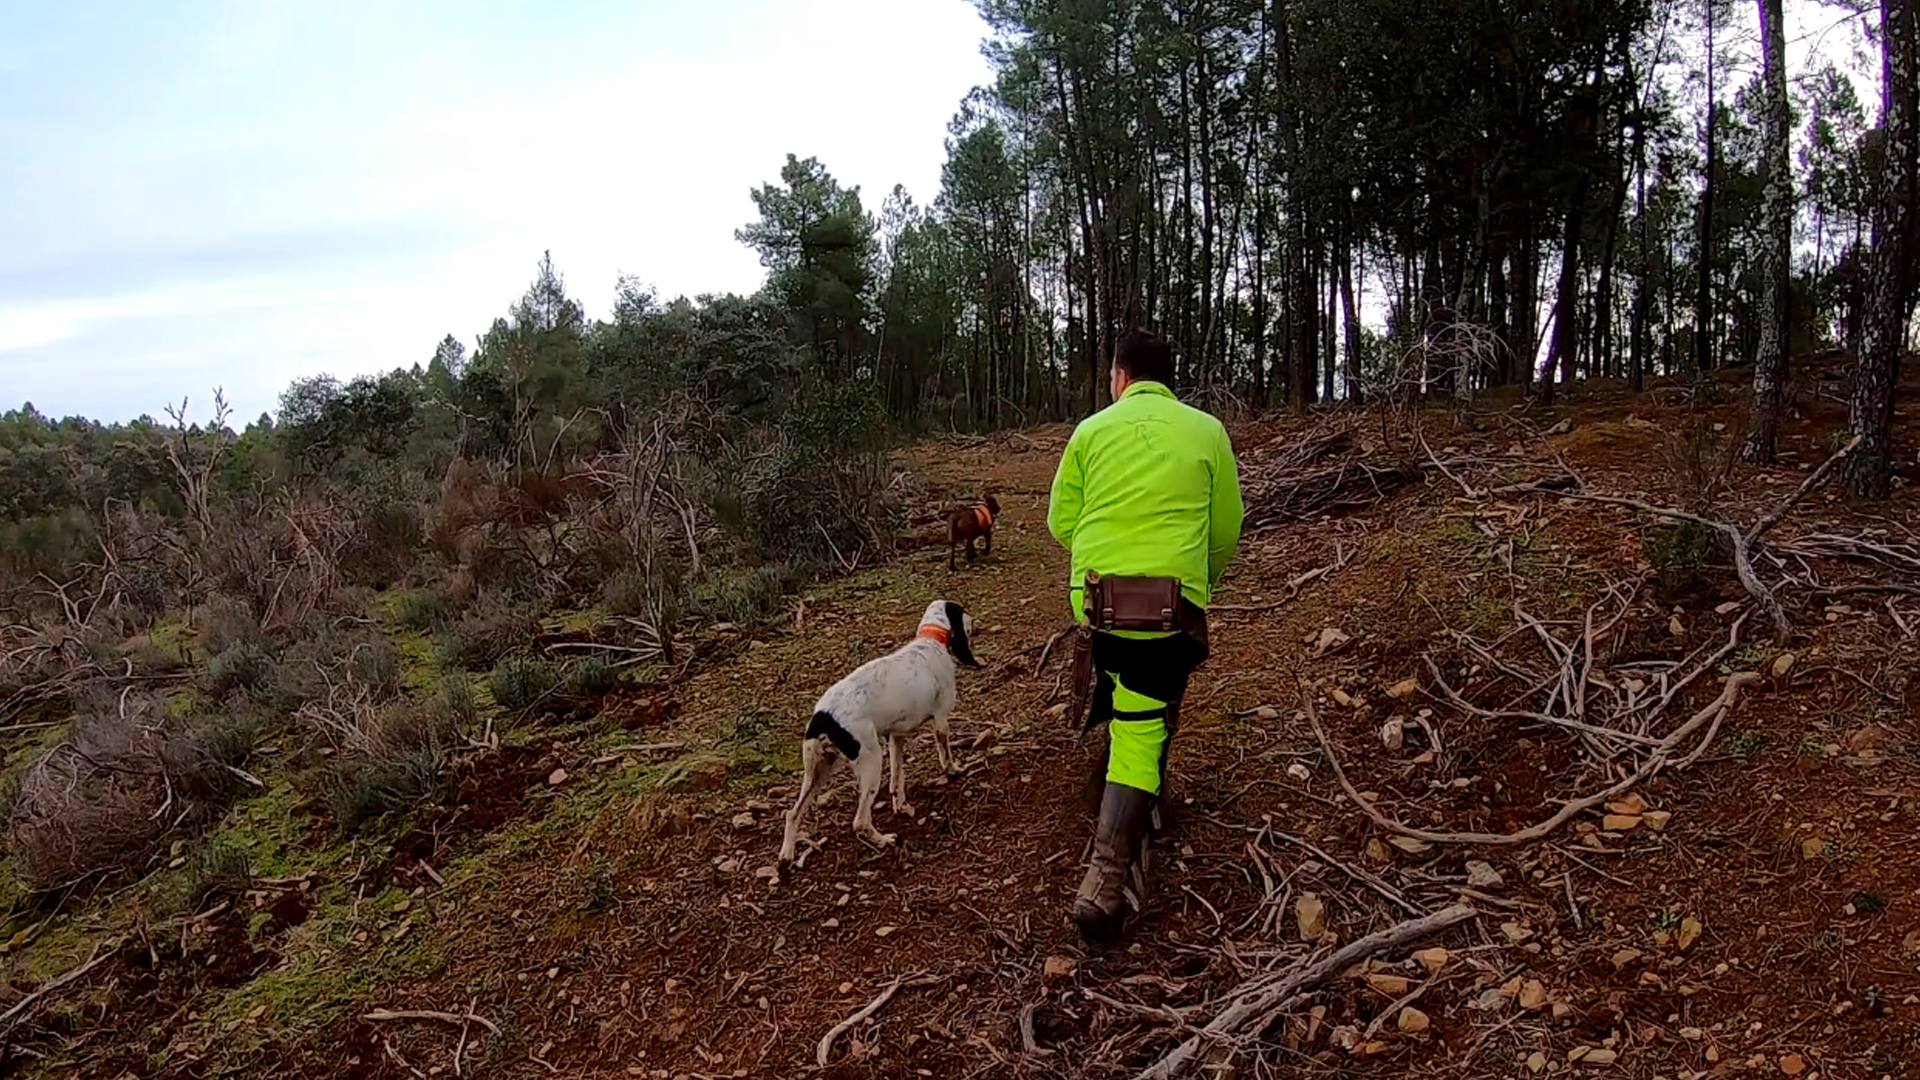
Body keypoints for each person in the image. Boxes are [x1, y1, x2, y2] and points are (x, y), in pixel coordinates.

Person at [1046, 328, 1243, 943]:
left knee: (1140, 706)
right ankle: (1104, 880)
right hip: (1168, 608)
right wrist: (1195, 582)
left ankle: (1136, 784)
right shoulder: (1207, 430)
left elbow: (1058, 523)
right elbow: (1226, 528)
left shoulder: (1090, 432)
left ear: (1120, 377)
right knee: (1141, 721)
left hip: (1099, 605)